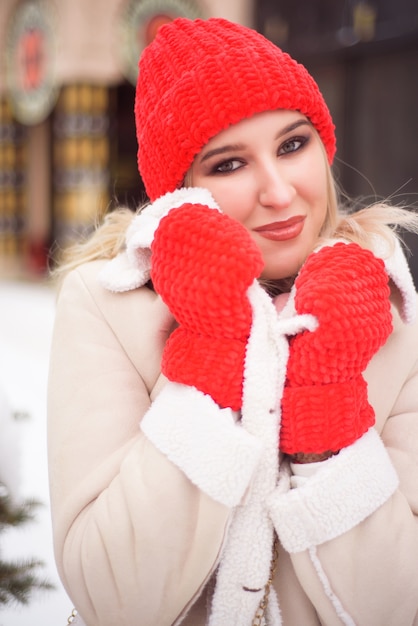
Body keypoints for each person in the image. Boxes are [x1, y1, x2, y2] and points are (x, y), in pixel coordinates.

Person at [47, 17, 418, 626]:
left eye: (292, 145)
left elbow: (397, 607)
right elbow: (113, 600)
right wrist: (213, 350)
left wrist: (328, 407)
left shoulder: (386, 305)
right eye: (228, 164)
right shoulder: (107, 306)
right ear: (180, 194)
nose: (278, 192)